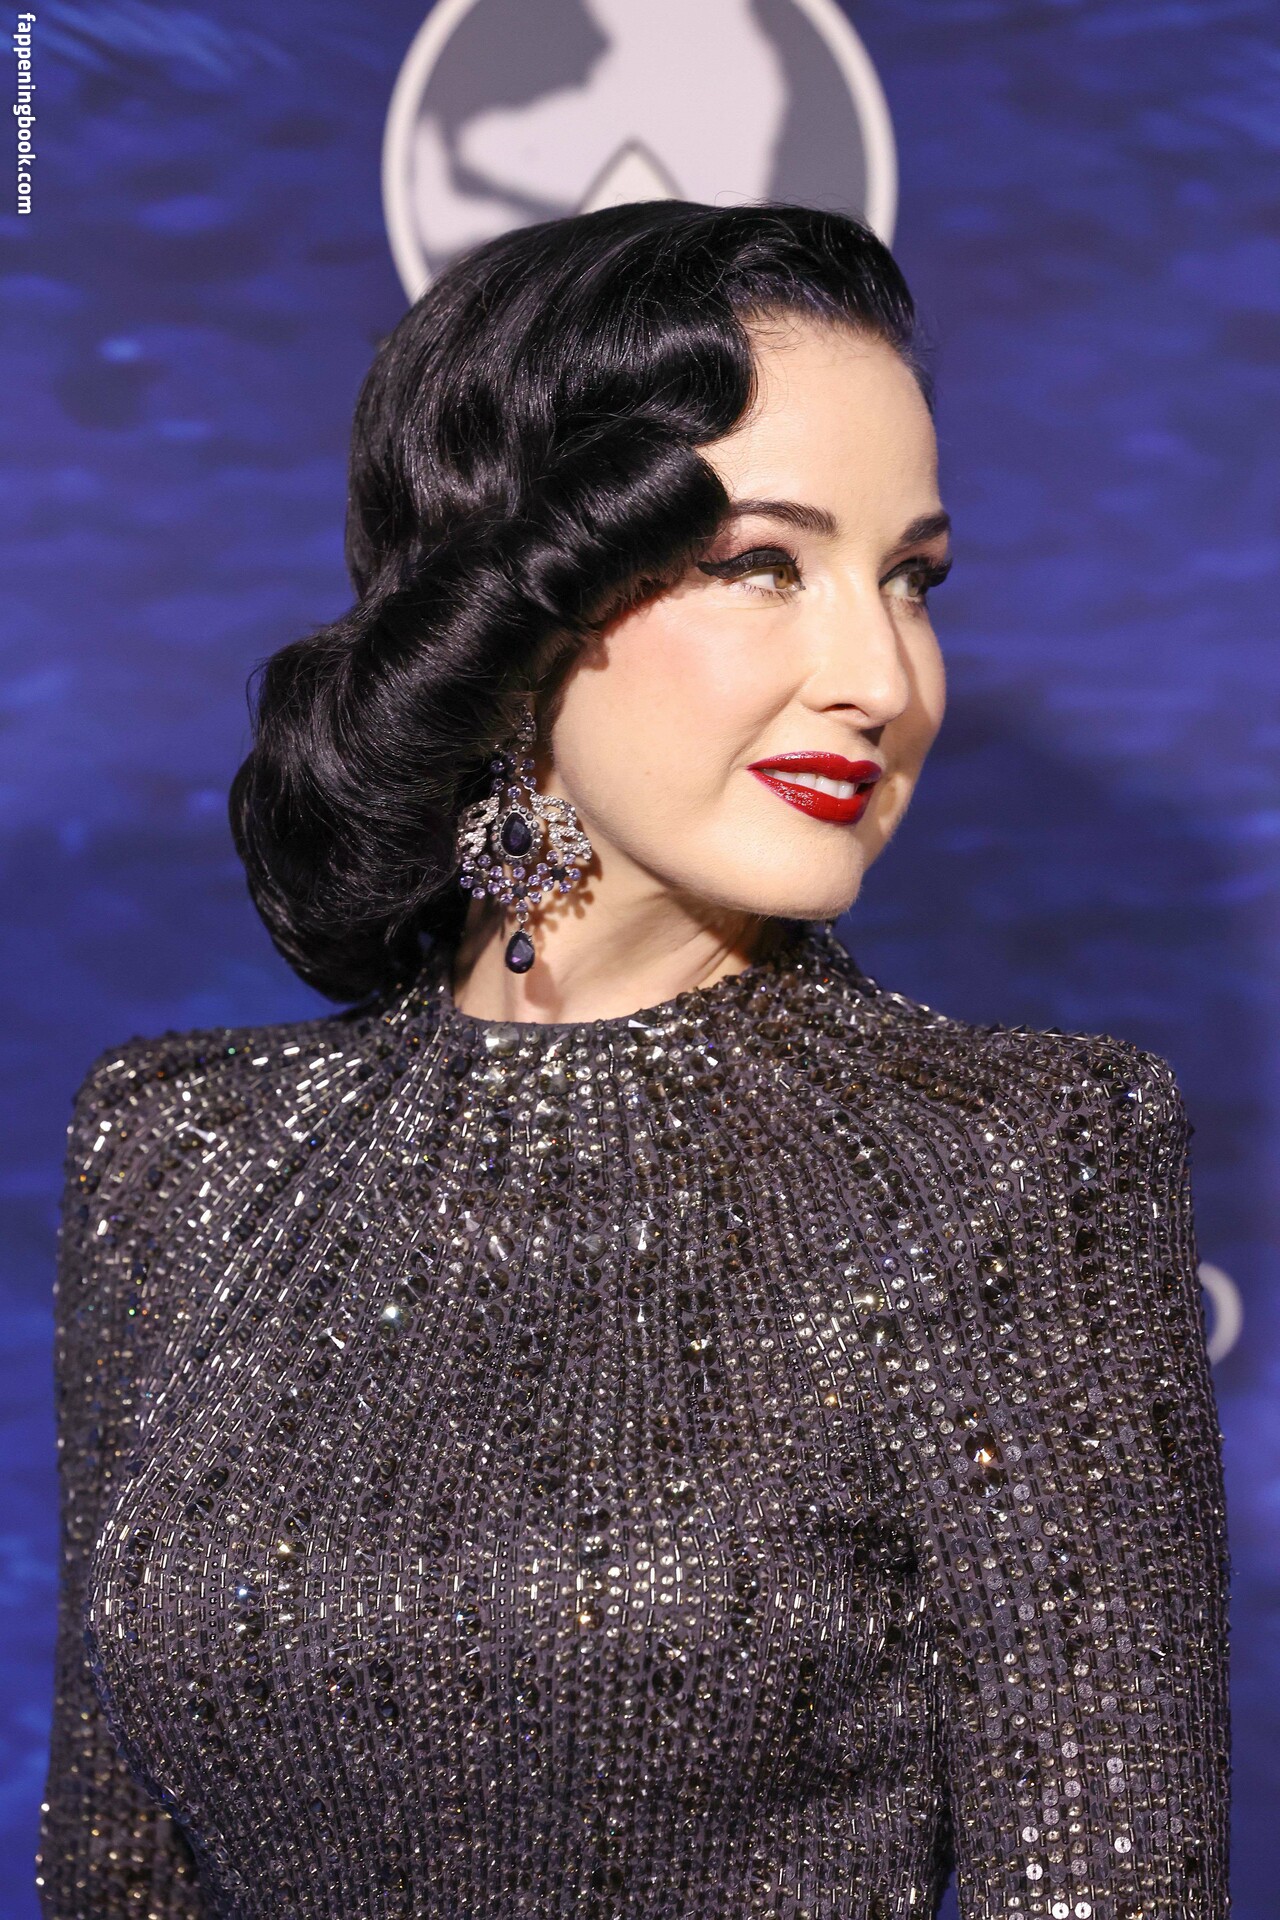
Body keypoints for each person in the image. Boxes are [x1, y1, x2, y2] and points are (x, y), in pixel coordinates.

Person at [38, 202, 1229, 1920]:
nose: (881, 675)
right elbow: (113, 1868)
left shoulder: (1014, 1161)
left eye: (912, 579)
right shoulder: (186, 1155)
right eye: (763, 563)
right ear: (514, 600)